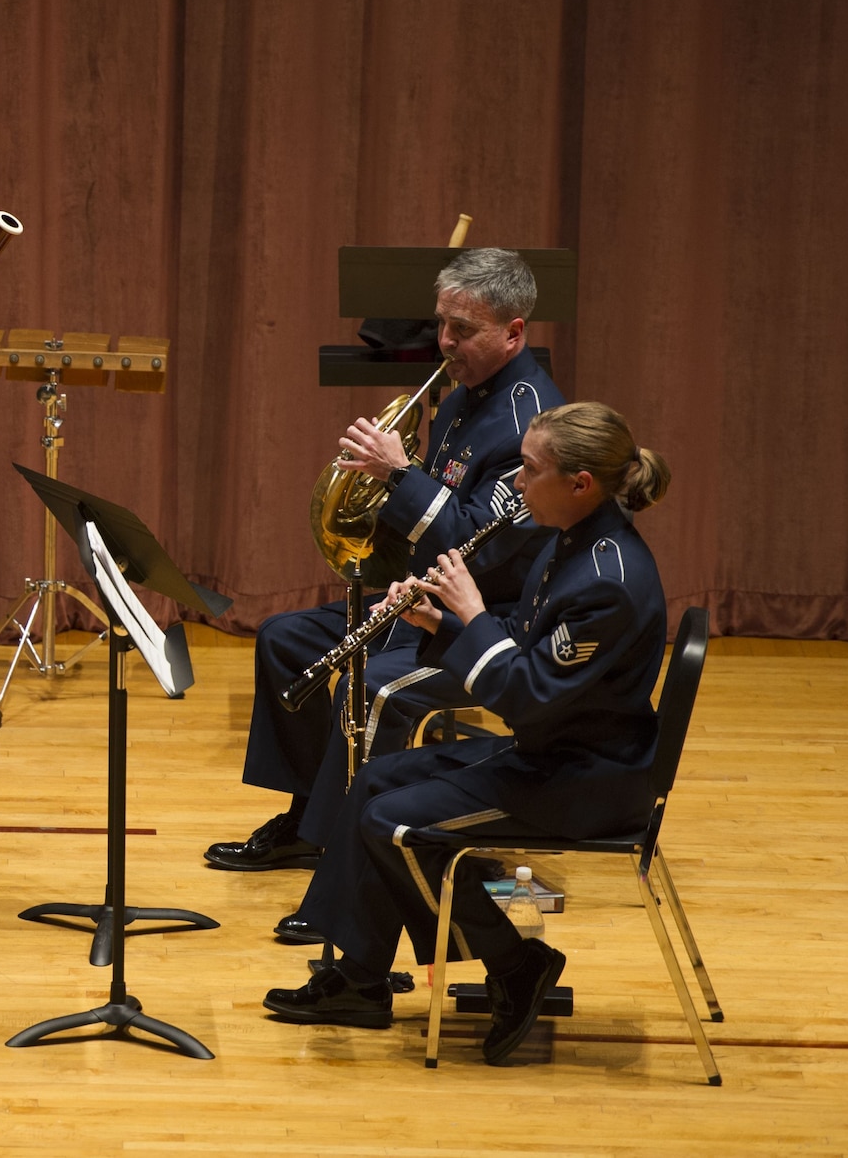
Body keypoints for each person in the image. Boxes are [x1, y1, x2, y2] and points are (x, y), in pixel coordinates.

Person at [261, 403, 673, 1066]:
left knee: (395, 823)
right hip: (555, 751)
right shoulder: (570, 542)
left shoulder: (608, 582)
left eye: (530, 470)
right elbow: (527, 657)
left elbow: (526, 696)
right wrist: (438, 623)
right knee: (374, 778)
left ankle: (516, 964)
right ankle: (361, 979)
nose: (516, 483)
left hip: (584, 780)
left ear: (580, 484)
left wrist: (472, 611)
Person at [206, 249, 564, 907]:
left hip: (481, 623)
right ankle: (306, 820)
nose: (445, 342)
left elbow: (478, 550)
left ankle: (347, 863)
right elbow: (438, 517)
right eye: (442, 324)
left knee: (374, 689)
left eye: (463, 329)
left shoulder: (530, 425)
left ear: (514, 332)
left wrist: (400, 475)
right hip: (421, 602)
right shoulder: (461, 396)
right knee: (286, 640)